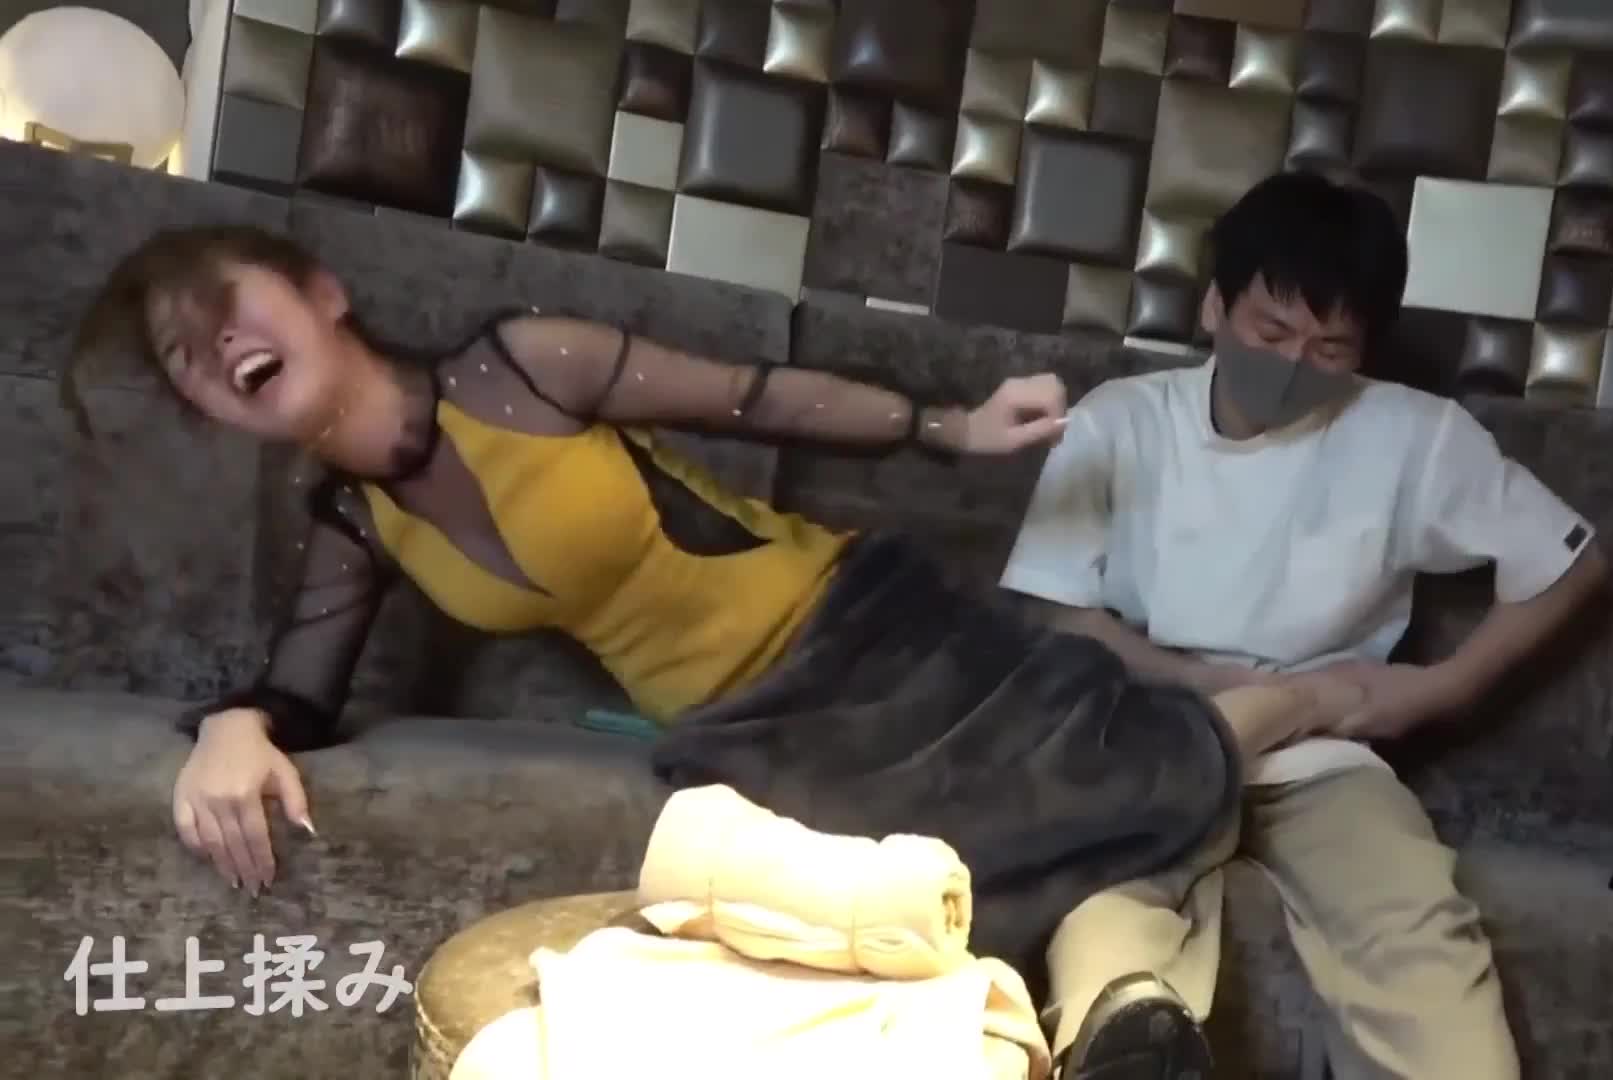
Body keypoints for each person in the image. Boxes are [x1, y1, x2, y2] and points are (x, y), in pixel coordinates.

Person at [68, 224, 1340, 1080]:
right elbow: (302, 687)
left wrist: (955, 426)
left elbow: (757, 394)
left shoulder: (519, 367)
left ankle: (1281, 707)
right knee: (926, 896)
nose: (213, 344)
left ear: (322, 292)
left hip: (862, 624)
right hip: (747, 729)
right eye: (183, 353)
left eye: (225, 304)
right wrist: (233, 729)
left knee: (1120, 770)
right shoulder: (355, 522)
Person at [1000, 170, 1611, 1078]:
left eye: (1329, 347)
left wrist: (1435, 690)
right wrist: (1215, 688)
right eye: (1271, 331)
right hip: (1150, 735)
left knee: (1419, 945)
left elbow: (1572, 563)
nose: (1293, 365)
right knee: (1105, 922)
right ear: (1215, 306)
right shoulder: (1122, 422)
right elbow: (1054, 612)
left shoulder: (1413, 434)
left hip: (1322, 756)